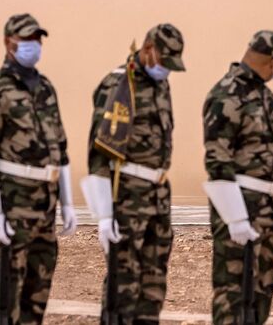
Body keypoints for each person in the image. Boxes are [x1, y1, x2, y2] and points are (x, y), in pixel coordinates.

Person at [0, 13, 77, 325]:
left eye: (36, 40)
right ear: (8, 43)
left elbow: (60, 148)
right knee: (4, 294)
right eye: (26, 40)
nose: (33, 46)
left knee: (37, 294)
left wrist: (67, 203)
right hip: (11, 205)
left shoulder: (45, 87)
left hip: (45, 207)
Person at [84, 23, 185, 324]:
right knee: (122, 289)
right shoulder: (118, 85)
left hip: (156, 198)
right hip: (126, 197)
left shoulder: (160, 85)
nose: (167, 69)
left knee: (152, 288)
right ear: (148, 49)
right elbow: (99, 153)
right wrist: (103, 216)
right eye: (164, 61)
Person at [202, 30, 273, 325]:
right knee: (233, 289)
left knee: (262, 287)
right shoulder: (225, 95)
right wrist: (235, 218)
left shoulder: (263, 94)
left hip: (269, 207)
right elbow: (217, 162)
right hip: (239, 203)